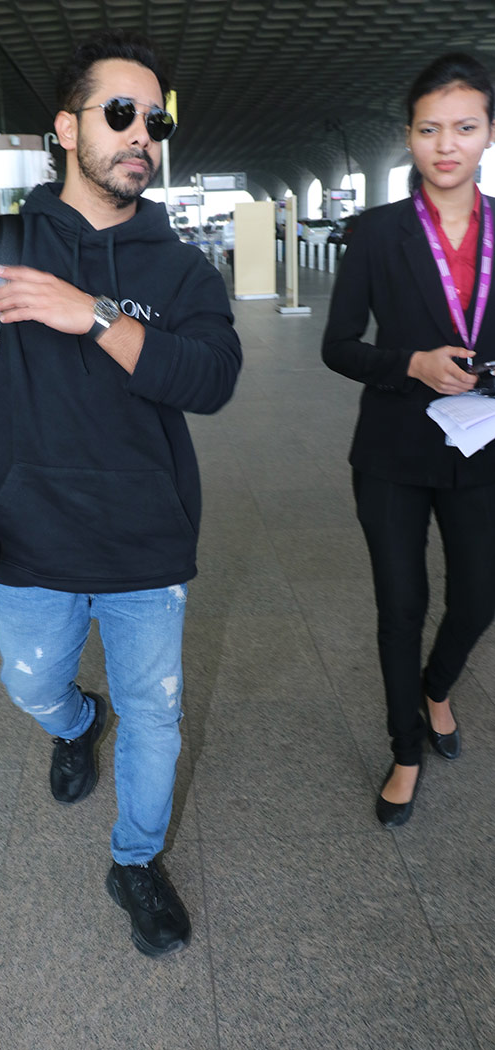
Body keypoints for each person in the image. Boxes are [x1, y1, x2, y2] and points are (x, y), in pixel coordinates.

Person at [0, 30, 242, 955]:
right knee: (31, 685)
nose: (143, 135)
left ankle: (134, 859)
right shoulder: (0, 248)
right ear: (66, 127)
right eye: (121, 113)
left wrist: (90, 316)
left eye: (156, 120)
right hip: (24, 536)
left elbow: (212, 379)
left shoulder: (177, 268)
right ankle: (74, 720)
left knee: (159, 716)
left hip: (145, 543)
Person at [322, 53, 495, 828]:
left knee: (480, 596)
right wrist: (412, 364)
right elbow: (338, 345)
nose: (446, 144)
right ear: (409, 137)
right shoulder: (378, 234)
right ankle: (404, 749)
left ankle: (437, 684)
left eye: (464, 127)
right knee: (401, 602)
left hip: (484, 443)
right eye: (430, 129)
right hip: (393, 448)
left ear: (488, 133)